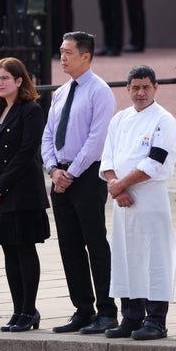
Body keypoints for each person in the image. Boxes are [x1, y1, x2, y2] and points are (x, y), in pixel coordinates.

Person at [41, 31, 118, 334]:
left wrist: (70, 173)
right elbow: (48, 135)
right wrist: (53, 169)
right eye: (61, 51)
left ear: (86, 56)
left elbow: (96, 140)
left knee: (95, 243)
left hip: (86, 176)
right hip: (60, 176)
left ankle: (107, 310)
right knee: (69, 246)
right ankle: (82, 309)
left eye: (68, 52)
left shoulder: (99, 92)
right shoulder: (61, 93)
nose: (62, 57)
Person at [99, 65, 176, 340]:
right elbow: (107, 158)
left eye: (146, 87)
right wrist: (116, 186)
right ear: (128, 89)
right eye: (135, 87)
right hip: (122, 201)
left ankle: (156, 319)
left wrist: (122, 184)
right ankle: (130, 317)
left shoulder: (164, 120)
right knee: (126, 257)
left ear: (156, 88)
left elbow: (154, 161)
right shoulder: (119, 119)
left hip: (150, 198)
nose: (141, 92)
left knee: (154, 257)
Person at [0, 57, 50, 332]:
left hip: (22, 194)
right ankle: (18, 308)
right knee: (9, 252)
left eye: (5, 78)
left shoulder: (31, 110)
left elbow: (26, 154)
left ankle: (29, 310)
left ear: (19, 81)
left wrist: (0, 187)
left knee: (24, 250)